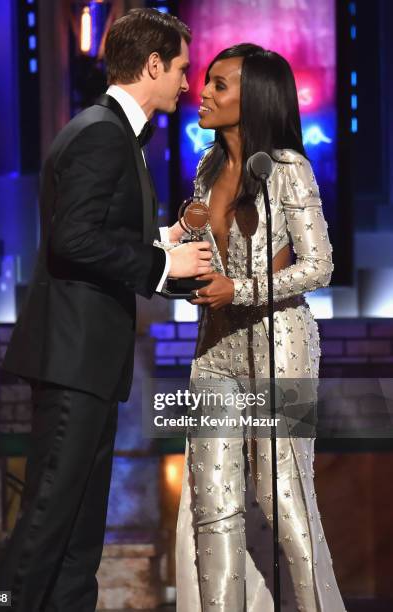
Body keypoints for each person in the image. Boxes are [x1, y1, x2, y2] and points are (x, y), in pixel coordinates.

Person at [0, 9, 213, 612]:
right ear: (153, 64)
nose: (187, 83)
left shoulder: (111, 132)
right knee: (46, 524)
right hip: (72, 360)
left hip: (89, 362)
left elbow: (95, 232)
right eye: (182, 69)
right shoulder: (101, 133)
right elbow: (74, 239)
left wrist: (162, 245)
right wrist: (163, 268)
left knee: (79, 533)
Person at [174, 44, 347, 611]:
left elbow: (320, 264)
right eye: (206, 81)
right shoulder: (205, 168)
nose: (204, 92)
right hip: (213, 352)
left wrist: (241, 290)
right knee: (213, 508)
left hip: (281, 348)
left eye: (219, 85)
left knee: (285, 501)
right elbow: (207, 257)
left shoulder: (288, 169)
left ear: (254, 98)